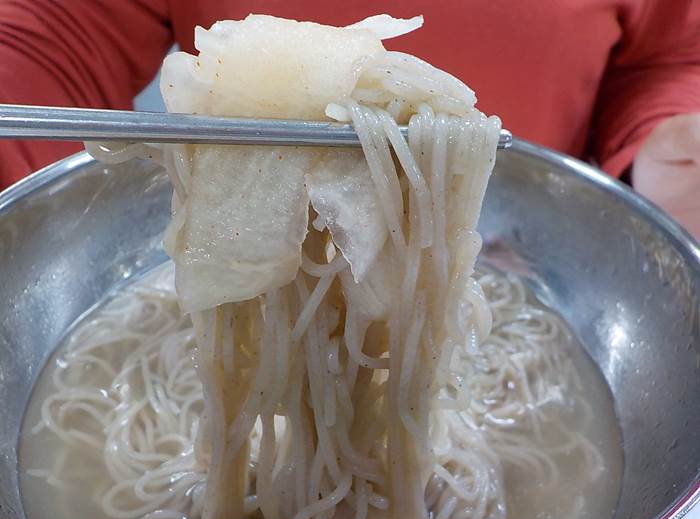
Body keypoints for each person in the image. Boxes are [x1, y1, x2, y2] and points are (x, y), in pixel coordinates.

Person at [1, 0, 699, 237]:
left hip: (522, 245)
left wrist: (659, 134)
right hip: (240, 225)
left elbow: (664, 54)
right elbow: (58, 29)